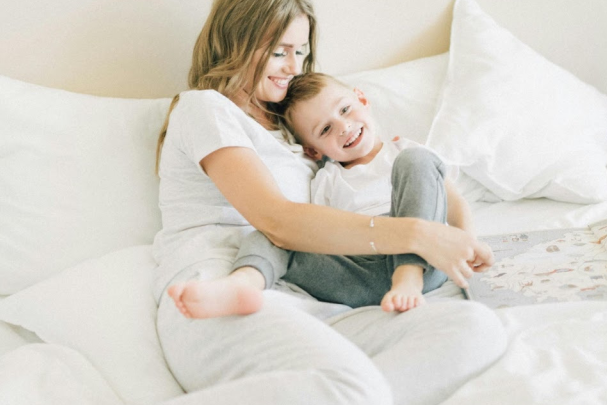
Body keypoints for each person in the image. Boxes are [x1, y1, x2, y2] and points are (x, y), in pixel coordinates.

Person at [0, 0, 507, 405]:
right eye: (278, 50)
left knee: (477, 330)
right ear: (237, 39)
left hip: (310, 300)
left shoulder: (295, 133)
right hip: (218, 291)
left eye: (300, 52)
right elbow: (277, 222)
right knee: (358, 398)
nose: (292, 67)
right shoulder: (205, 109)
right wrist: (415, 234)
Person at [170, 72, 490, 317]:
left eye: (346, 110)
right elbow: (313, 235)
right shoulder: (326, 180)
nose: (343, 127)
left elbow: (452, 199)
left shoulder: (404, 150)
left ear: (362, 99)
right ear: (312, 149)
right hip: (356, 274)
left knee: (417, 161)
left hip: (426, 260)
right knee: (276, 231)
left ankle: (407, 276)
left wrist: (467, 242)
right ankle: (244, 283)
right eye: (325, 130)